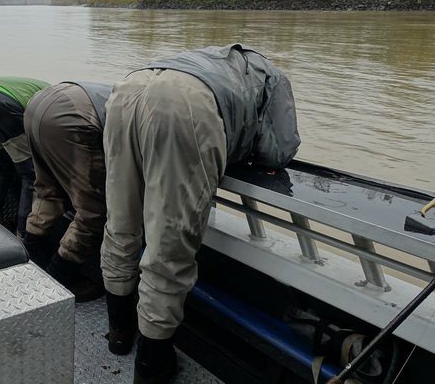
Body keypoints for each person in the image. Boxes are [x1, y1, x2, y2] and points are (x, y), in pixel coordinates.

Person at [100, 44, 300, 384]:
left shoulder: (204, 58)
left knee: (121, 224)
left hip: (126, 90)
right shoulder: (272, 74)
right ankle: (152, 364)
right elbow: (277, 149)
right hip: (185, 106)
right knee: (169, 248)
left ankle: (119, 333)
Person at [22, 81, 111, 302]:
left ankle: (31, 260)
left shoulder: (129, 92)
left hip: (39, 105)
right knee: (93, 212)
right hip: (74, 116)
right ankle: (60, 278)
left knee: (48, 190)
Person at [0, 76, 50, 239]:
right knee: (31, 176)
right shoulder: (59, 103)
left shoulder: (47, 91)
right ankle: (22, 236)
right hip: (5, 103)